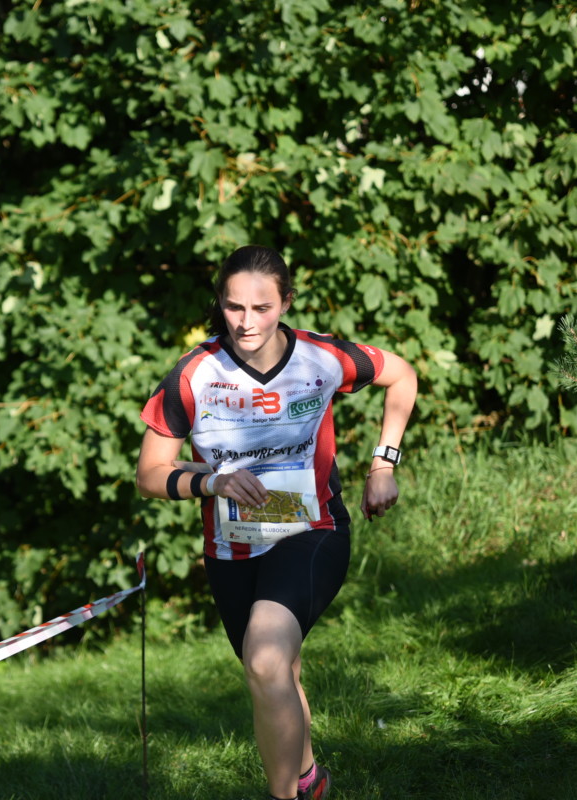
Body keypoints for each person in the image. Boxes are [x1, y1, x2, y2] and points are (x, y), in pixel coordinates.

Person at [135, 245, 418, 800]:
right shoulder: (194, 374)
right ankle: (309, 781)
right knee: (275, 675)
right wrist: (212, 483)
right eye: (234, 307)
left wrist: (383, 464)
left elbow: (402, 375)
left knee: (265, 661)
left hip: (312, 531)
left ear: (286, 302)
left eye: (262, 308)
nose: (247, 322)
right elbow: (149, 475)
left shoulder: (321, 357)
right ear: (220, 303)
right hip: (232, 548)